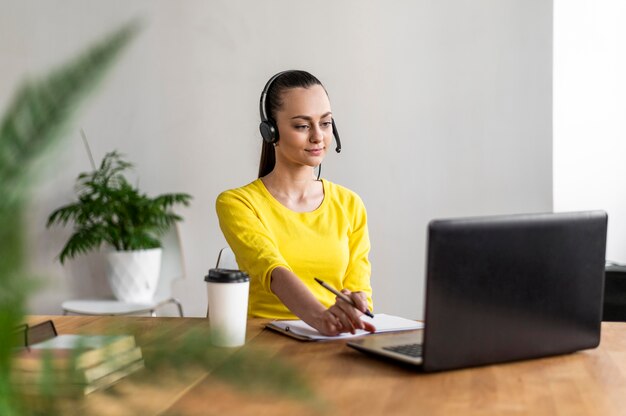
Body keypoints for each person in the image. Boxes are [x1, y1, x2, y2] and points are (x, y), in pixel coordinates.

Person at [216, 70, 375, 336]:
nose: (318, 137)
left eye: (325, 124)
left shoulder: (350, 204)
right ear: (271, 131)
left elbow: (360, 286)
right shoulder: (238, 203)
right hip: (267, 343)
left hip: (333, 340)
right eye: (302, 126)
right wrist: (320, 318)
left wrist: (355, 307)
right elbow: (273, 270)